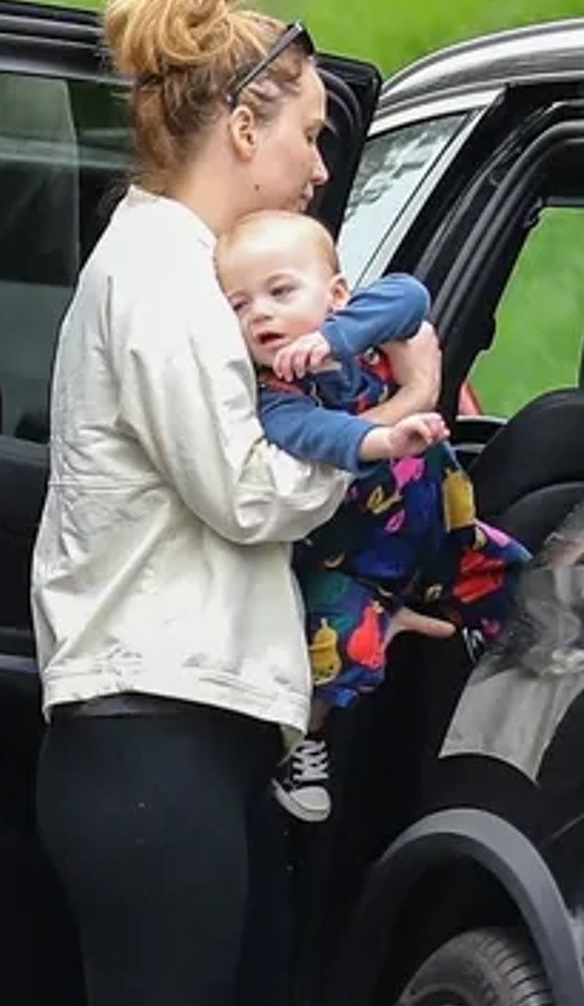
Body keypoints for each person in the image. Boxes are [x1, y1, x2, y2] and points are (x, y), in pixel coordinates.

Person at [29, 0, 444, 1006]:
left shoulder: (178, 269)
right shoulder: (161, 276)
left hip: (189, 741)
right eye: (310, 133)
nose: (320, 166)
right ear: (245, 126)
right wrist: (391, 420)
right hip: (152, 741)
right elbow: (249, 491)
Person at [214, 210, 531, 821]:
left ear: (336, 295)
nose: (260, 314)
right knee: (338, 648)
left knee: (519, 587)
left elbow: (409, 295)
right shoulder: (274, 399)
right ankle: (302, 742)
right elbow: (323, 438)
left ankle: (525, 684)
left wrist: (334, 339)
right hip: (351, 567)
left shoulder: (363, 337)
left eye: (281, 291)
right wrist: (392, 433)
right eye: (239, 305)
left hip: (445, 536)